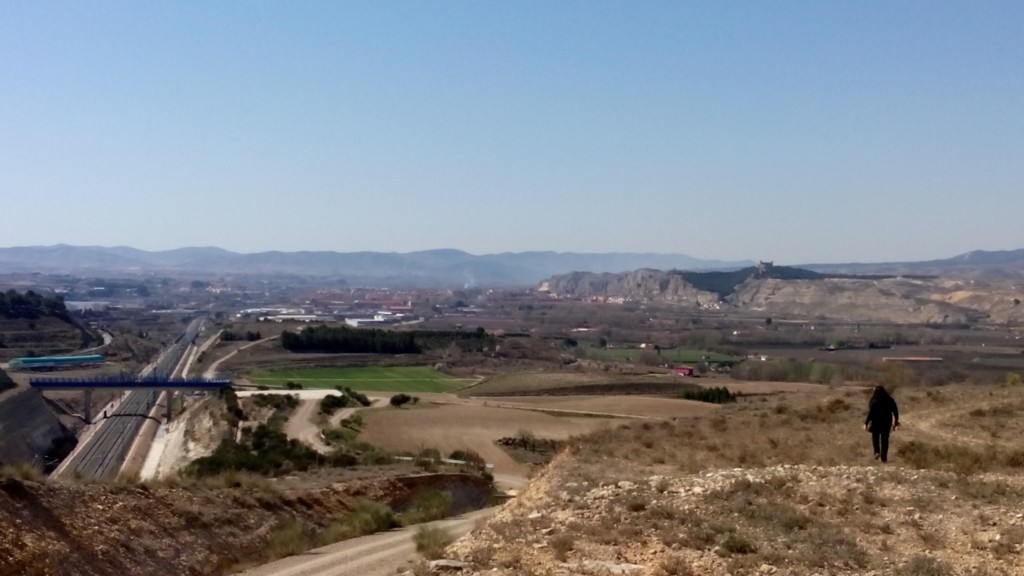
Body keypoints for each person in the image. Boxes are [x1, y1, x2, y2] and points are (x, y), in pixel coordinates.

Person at [864, 385, 900, 462]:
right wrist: (896, 421)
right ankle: (884, 457)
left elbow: (871, 413)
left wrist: (866, 423)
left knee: (875, 438)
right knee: (885, 440)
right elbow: (895, 411)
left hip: (876, 422)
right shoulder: (890, 400)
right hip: (886, 423)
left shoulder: (874, 400)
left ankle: (877, 452)